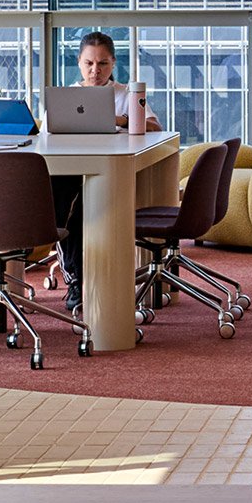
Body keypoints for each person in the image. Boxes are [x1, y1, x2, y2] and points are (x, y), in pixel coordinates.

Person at [51, 31, 162, 310]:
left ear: (113, 63)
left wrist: (119, 119)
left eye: (102, 64)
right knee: (67, 206)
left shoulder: (126, 94)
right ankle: (76, 279)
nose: (94, 70)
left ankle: (89, 279)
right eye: (88, 63)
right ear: (78, 63)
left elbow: (154, 127)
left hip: (115, 176)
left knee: (77, 208)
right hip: (71, 173)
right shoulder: (66, 97)